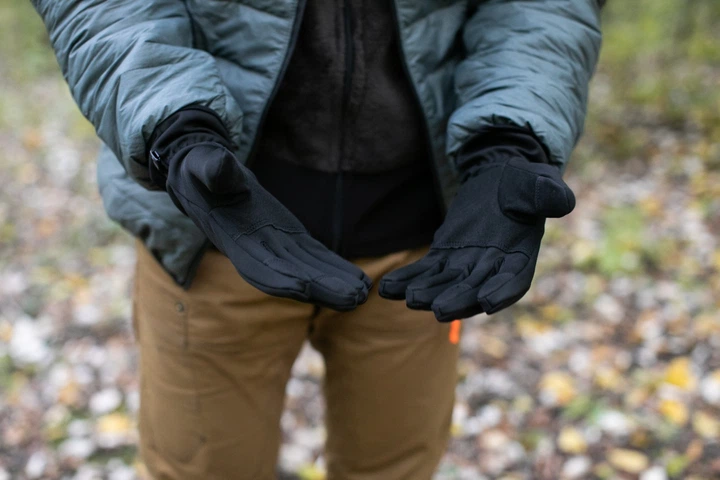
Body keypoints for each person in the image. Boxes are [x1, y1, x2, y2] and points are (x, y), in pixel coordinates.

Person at [32, 0, 603, 478]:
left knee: (397, 469)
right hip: (210, 228)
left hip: (425, 252)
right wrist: (174, 128)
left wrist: (508, 141)